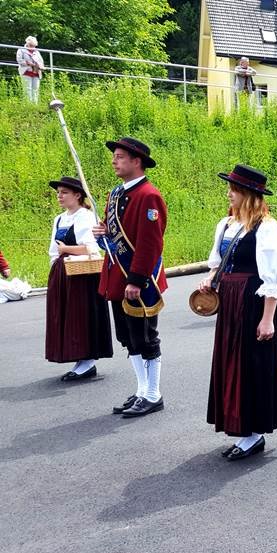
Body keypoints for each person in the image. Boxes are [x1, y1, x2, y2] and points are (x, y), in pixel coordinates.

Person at [199, 164, 277, 461]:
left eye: (234, 190)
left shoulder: (267, 228)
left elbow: (272, 278)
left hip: (252, 301)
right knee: (232, 363)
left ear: (248, 195)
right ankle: (240, 426)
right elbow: (218, 261)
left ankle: (254, 434)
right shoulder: (226, 224)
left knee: (251, 365)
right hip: (230, 301)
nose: (229, 194)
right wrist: (211, 277)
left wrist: (267, 319)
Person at [93, 137, 167, 418]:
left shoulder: (149, 196)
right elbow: (114, 233)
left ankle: (153, 394)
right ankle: (141, 390)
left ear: (137, 161)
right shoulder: (116, 194)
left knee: (146, 337)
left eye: (120, 156)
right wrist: (103, 234)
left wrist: (136, 280)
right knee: (128, 338)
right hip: (117, 277)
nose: (114, 160)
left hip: (138, 281)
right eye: (115, 156)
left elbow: (150, 244)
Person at [45, 176, 113, 381]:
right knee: (66, 316)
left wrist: (66, 249)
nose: (60, 196)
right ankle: (77, 358)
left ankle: (87, 361)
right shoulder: (59, 218)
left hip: (82, 274)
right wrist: (55, 269)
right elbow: (53, 250)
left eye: (64, 192)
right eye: (58, 193)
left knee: (81, 316)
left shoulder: (85, 216)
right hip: (63, 273)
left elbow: (91, 248)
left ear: (77, 195)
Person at [16, 36, 45, 104]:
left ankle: (35, 105)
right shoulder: (21, 50)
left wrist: (40, 65)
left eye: (34, 46)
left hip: (36, 72)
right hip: (26, 71)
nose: (32, 47)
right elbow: (19, 60)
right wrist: (28, 63)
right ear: (27, 44)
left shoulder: (37, 52)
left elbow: (41, 61)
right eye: (31, 46)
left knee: (35, 89)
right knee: (27, 89)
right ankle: (28, 104)